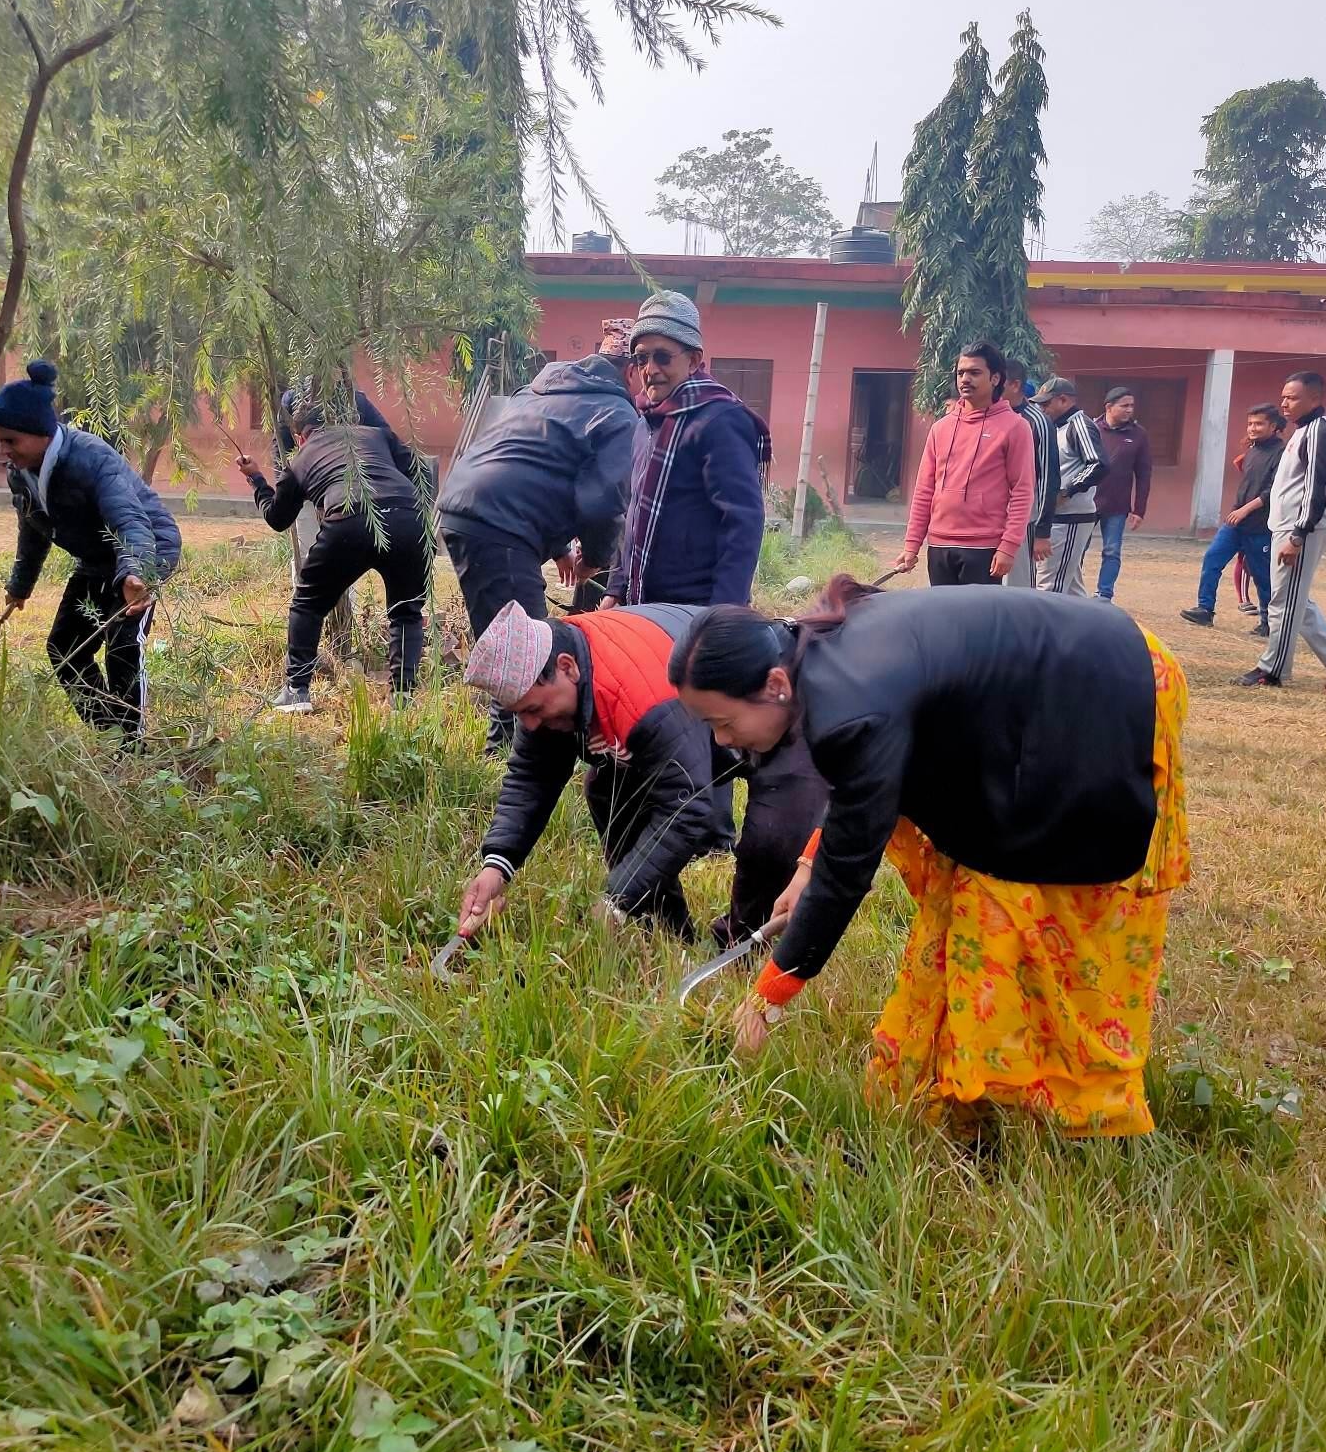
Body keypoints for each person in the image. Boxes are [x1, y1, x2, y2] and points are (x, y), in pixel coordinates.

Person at [667, 580, 1189, 1137]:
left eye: (723, 723)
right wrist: (807, 866)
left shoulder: (846, 701)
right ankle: (971, 1082)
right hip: (1052, 686)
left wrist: (769, 997)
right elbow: (864, 785)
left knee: (1026, 900)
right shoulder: (812, 655)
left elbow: (849, 867)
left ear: (773, 685)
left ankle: (1051, 1103)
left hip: (1106, 685)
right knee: (977, 898)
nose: (723, 741)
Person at [454, 600, 824, 945]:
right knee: (610, 789)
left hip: (771, 700)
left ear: (567, 667)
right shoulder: (544, 677)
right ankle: (664, 932)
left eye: (533, 709)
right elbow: (530, 778)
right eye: (522, 714)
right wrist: (495, 867)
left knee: (773, 838)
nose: (531, 725)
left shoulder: (640, 691)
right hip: (697, 716)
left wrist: (617, 896)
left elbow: (686, 810)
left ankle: (741, 948)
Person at [436, 351, 639, 749]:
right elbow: (602, 501)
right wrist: (595, 559)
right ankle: (508, 757)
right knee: (525, 653)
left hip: (472, 505)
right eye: (643, 364)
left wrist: (559, 544)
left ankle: (507, 748)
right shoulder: (619, 413)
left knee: (510, 639)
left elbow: (534, 464)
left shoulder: (539, 392)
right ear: (629, 373)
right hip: (500, 522)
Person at [0, 361, 181, 742]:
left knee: (123, 646)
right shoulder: (20, 474)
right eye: (0, 441)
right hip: (97, 559)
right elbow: (32, 533)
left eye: (11, 441)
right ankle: (111, 731)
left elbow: (130, 521)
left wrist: (137, 574)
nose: (5, 451)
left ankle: (133, 746)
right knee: (64, 649)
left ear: (40, 433)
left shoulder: (90, 459)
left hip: (146, 549)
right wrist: (20, 585)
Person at [237, 397, 429, 714]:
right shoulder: (375, 434)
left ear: (301, 436)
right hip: (408, 520)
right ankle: (403, 697)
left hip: (348, 522)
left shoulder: (301, 459)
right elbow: (418, 470)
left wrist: (257, 479)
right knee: (406, 612)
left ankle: (296, 690)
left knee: (308, 604)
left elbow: (278, 518)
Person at [603, 291, 768, 609]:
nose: (650, 369)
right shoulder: (645, 423)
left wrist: (723, 613)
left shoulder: (720, 421)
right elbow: (633, 514)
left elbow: (742, 522)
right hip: (641, 605)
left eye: (662, 357)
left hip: (695, 609)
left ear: (693, 360)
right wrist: (615, 588)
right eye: (641, 358)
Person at [1239, 372, 1326, 691]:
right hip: (1285, 525)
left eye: (1291, 397)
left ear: (1315, 399)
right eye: (1283, 397)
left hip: (1300, 527)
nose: (1284, 404)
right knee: (1293, 597)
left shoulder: (1319, 431)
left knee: (1284, 600)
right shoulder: (1302, 431)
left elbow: (1317, 487)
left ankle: (1272, 668)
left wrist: (1298, 534)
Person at [891, 341, 1034, 587]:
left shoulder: (1015, 427)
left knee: (979, 622)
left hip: (984, 547)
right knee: (945, 621)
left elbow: (1022, 491)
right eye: (960, 373)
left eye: (975, 372)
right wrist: (912, 545)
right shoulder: (941, 428)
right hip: (939, 545)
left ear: (995, 378)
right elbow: (924, 490)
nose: (965, 379)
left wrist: (1008, 547)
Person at [1180, 404, 1283, 630]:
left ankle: (1267, 622)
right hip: (1235, 522)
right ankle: (1205, 609)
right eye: (1250, 424)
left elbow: (1273, 490)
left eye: (1259, 424)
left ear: (1273, 426)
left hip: (1260, 525)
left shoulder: (1282, 453)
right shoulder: (1253, 450)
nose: (1252, 428)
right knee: (1213, 558)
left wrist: (1245, 509)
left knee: (1261, 575)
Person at [1034, 377, 1107, 596]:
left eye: (1046, 404)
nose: (1042, 409)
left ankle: (1047, 631)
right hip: (1059, 516)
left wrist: (1068, 491)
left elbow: (1098, 464)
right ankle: (1087, 628)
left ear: (1063, 400)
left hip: (1070, 517)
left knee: (1050, 589)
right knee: (1071, 587)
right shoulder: (1057, 427)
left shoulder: (1079, 425)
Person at [1001, 358, 1057, 589]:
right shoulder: (991, 418)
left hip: (1024, 520)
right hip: (990, 519)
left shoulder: (1037, 421)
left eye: (999, 383)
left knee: (1016, 587)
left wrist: (1042, 532)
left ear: (1015, 385)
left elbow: (1048, 478)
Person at [1092, 386, 1152, 601]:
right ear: (1109, 407)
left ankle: (1104, 594)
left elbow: (1144, 474)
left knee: (1112, 551)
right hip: (1087, 502)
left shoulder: (1138, 435)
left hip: (1117, 505)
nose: (1129, 410)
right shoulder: (1091, 429)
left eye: (1132, 406)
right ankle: (1072, 590)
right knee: (1077, 548)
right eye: (1124, 405)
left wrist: (1139, 509)